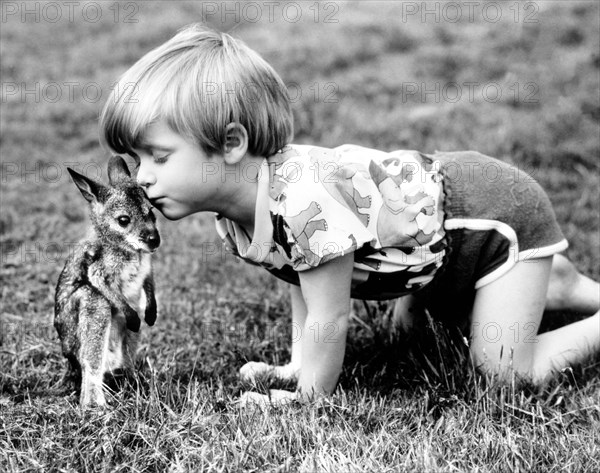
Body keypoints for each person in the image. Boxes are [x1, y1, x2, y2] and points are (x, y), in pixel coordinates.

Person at [99, 24, 599, 405]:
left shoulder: (302, 204)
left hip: (488, 215)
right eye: (136, 160)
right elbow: (300, 275)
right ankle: (543, 280)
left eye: (158, 158)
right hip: (437, 240)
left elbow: (331, 315)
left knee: (502, 372)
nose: (140, 177)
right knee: (410, 336)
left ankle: (532, 276)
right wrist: (299, 365)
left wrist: (309, 398)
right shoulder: (239, 211)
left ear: (231, 144)